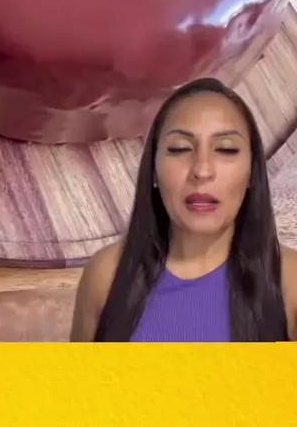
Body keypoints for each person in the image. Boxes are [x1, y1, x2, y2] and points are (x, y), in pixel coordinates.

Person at [70, 77, 297, 342]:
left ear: (252, 173)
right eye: (180, 149)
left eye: (226, 150)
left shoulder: (290, 281)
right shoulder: (106, 275)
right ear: (153, 171)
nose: (202, 170)